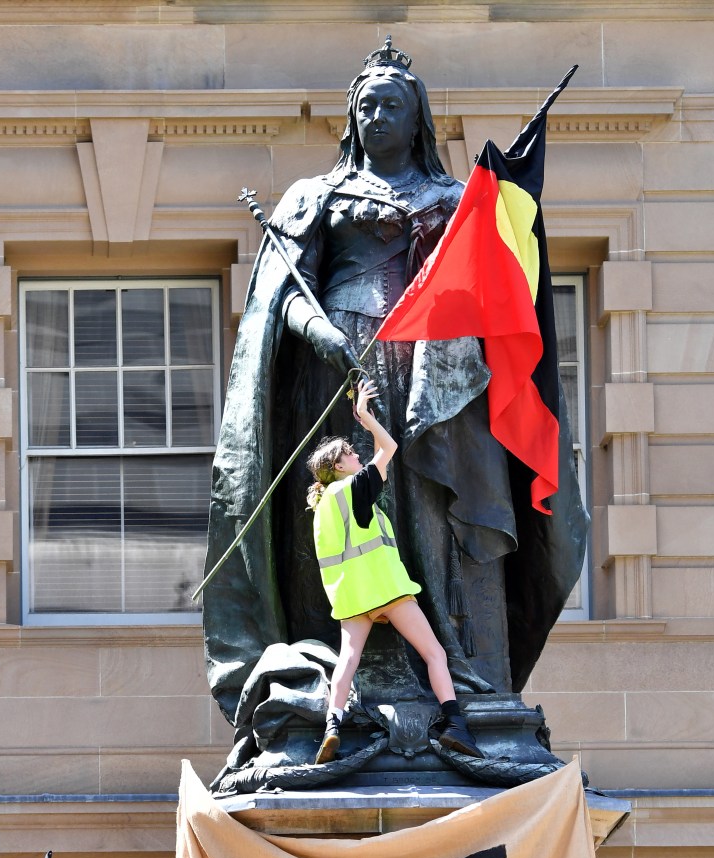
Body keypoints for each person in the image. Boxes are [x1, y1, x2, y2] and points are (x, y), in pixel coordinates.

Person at [202, 39, 587, 732]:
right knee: (345, 508)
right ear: (352, 118)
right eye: (367, 105)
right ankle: (338, 674)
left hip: (438, 378)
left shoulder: (454, 199)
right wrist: (320, 333)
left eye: (392, 105)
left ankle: (456, 665)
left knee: (431, 513)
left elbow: (491, 282)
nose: (377, 115)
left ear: (418, 122)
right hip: (336, 370)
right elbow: (280, 296)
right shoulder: (314, 197)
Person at [307, 378, 483, 763]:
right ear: (338, 466)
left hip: (352, 597)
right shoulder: (355, 487)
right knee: (435, 655)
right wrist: (365, 417)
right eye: (351, 454)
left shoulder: (322, 507)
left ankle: (332, 725)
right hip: (386, 588)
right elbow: (389, 448)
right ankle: (456, 725)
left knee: (347, 661)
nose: (357, 456)